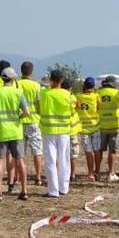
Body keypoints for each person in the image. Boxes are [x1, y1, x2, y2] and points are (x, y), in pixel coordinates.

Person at [0, 67, 30, 200]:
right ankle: (24, 191)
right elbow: (27, 112)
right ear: (13, 79)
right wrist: (18, 117)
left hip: (0, 130)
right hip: (15, 131)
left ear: (2, 78)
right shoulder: (18, 92)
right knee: (19, 160)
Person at [39, 69, 72, 197]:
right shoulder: (67, 95)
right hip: (63, 131)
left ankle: (53, 190)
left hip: (48, 131)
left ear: (51, 80)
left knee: (50, 161)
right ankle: (64, 188)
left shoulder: (45, 93)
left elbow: (38, 107)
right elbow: (73, 109)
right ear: (62, 80)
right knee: (64, 159)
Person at [16, 61, 44, 185]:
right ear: (32, 72)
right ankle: (38, 177)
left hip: (20, 121)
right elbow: (38, 103)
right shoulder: (36, 85)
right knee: (37, 151)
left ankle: (17, 177)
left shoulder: (16, 84)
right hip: (34, 121)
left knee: (19, 153)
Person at [97, 75, 119, 181]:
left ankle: (97, 172)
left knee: (99, 150)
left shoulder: (98, 93)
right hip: (115, 127)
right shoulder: (117, 93)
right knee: (112, 151)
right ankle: (111, 173)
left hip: (101, 126)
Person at [76, 77, 102, 181]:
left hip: (84, 129)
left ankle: (90, 173)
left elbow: (76, 107)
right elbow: (99, 107)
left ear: (84, 85)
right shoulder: (96, 96)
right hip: (95, 126)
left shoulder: (78, 97)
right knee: (96, 150)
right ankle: (98, 172)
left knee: (88, 152)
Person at [63, 79, 82, 182]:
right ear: (70, 88)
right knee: (73, 154)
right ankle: (72, 174)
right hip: (72, 130)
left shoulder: (60, 97)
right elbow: (78, 106)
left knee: (62, 153)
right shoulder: (72, 98)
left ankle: (63, 173)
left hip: (62, 130)